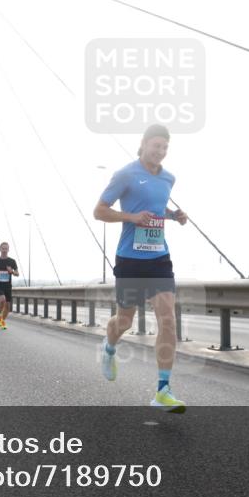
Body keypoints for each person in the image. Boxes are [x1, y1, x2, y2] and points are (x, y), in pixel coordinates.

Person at [93, 124, 189, 413]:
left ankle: (163, 391)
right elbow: (100, 211)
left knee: (168, 320)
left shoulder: (169, 178)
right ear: (144, 144)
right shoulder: (126, 174)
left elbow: (156, 208)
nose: (160, 151)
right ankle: (109, 347)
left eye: (165, 147)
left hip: (159, 258)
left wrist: (173, 215)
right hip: (130, 259)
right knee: (124, 321)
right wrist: (132, 217)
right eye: (156, 145)